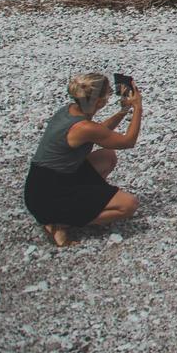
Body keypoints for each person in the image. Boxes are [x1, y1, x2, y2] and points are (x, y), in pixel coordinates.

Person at [23, 73, 143, 247]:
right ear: (99, 101)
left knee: (107, 156)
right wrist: (138, 108)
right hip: (50, 195)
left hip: (42, 183)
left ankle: (78, 208)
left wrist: (124, 111)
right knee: (128, 206)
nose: (110, 96)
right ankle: (60, 222)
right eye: (109, 93)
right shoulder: (83, 127)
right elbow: (128, 142)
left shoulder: (70, 110)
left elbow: (99, 132)